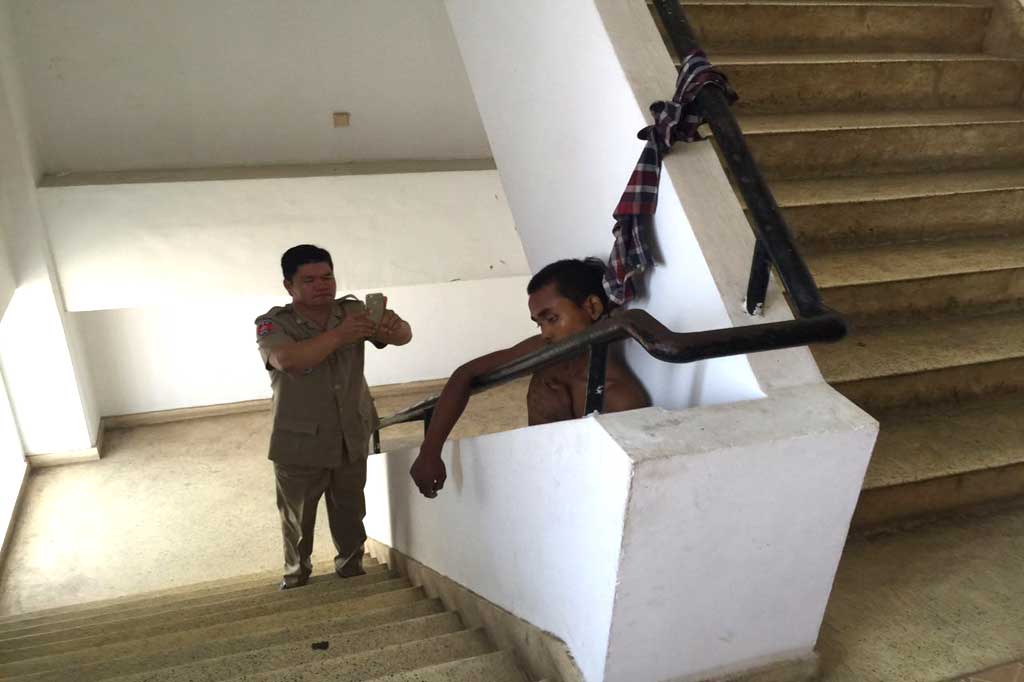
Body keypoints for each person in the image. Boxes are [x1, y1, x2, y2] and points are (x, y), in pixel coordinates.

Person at [409, 257, 649, 498]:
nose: (545, 334)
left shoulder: (619, 397)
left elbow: (618, 485)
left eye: (552, 319)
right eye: (539, 324)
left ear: (592, 308)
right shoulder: (547, 351)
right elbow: (466, 373)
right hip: (539, 487)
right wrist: (429, 451)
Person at [256, 244, 412, 589]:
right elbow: (287, 360)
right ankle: (297, 575)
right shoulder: (273, 323)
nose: (322, 285)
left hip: (350, 434)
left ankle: (351, 568)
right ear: (289, 286)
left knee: (350, 511)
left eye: (327, 277)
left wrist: (393, 325)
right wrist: (340, 336)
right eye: (309, 280)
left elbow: (403, 336)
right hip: (300, 441)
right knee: (298, 520)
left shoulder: (352, 311)